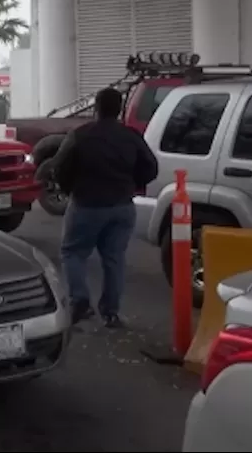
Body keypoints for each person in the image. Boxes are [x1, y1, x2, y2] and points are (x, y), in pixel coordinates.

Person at [48, 87, 158, 328]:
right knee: (114, 258)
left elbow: (59, 166)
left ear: (96, 108)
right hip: (122, 206)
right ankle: (111, 312)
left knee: (73, 252)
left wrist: (71, 189)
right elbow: (151, 167)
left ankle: (80, 301)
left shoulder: (80, 135)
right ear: (119, 109)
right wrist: (131, 184)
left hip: (87, 204)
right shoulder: (131, 136)